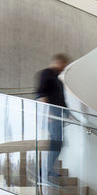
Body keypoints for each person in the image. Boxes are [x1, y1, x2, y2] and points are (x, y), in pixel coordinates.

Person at [35, 53, 70, 185]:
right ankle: (43, 171)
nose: (64, 68)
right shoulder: (46, 74)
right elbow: (41, 93)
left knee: (58, 144)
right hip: (52, 116)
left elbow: (62, 99)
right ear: (58, 62)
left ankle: (48, 169)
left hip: (58, 116)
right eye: (63, 64)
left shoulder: (58, 80)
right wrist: (47, 114)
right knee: (54, 143)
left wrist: (68, 113)